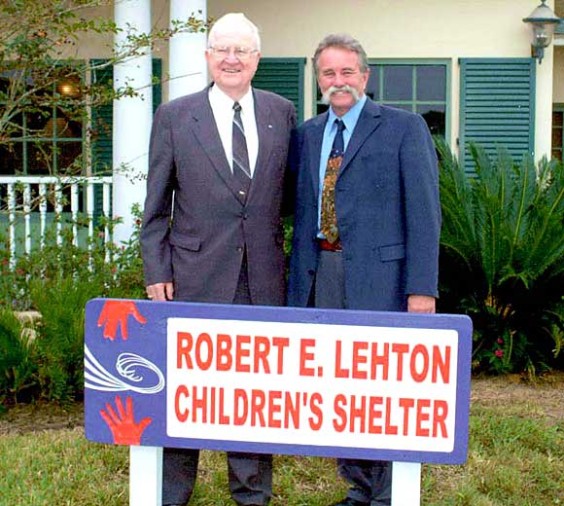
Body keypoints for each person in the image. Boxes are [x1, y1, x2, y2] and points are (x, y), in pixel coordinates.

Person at [140, 12, 296, 506]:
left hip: (263, 280)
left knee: (252, 392)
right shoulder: (173, 115)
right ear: (208, 56)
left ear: (257, 60)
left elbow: (288, 197)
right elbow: (155, 204)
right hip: (190, 276)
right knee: (184, 391)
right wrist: (156, 270)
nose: (231, 59)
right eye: (222, 49)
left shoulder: (282, 112)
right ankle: (171, 493)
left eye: (242, 51)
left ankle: (252, 493)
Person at [287, 34, 441, 506]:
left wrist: (422, 290)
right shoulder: (309, 134)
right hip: (323, 274)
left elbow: (424, 213)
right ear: (319, 80)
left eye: (347, 72)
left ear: (365, 76)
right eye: (328, 73)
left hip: (384, 282)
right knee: (339, 388)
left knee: (382, 391)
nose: (339, 82)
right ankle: (358, 488)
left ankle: (389, 495)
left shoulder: (403, 127)